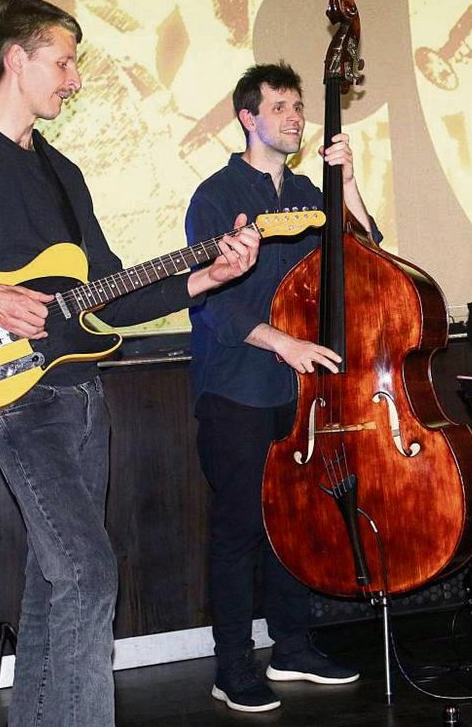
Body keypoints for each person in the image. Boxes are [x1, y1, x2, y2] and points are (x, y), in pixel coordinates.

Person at [0, 0, 261, 727]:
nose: (75, 79)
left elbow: (109, 294)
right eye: (64, 61)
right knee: (87, 569)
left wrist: (209, 275)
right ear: (16, 58)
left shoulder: (63, 173)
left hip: (81, 400)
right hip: (11, 400)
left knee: (56, 580)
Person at [186, 61, 377, 712]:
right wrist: (284, 342)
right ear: (248, 117)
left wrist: (348, 185)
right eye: (281, 106)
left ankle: (293, 645)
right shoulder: (214, 195)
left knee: (296, 523)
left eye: (300, 106)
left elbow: (367, 258)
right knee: (239, 528)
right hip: (237, 383)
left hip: (302, 389)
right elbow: (216, 305)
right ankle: (231, 665)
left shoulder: (309, 191)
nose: (296, 116)